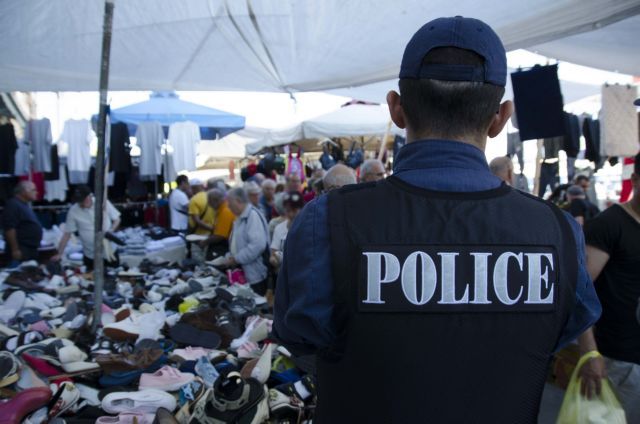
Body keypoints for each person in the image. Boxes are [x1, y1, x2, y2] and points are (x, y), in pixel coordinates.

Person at [274, 16, 600, 423]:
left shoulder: (327, 221)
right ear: (501, 118)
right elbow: (567, 327)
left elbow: (299, 337)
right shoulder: (557, 231)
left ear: (396, 109)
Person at [577, 152, 640, 422]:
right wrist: (589, 351)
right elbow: (578, 292)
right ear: (635, 180)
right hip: (619, 361)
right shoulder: (609, 225)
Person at [53, 186, 121, 270]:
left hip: (110, 251)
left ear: (90, 196)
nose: (81, 203)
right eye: (79, 201)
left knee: (113, 274)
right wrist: (59, 253)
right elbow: (67, 234)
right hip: (90, 255)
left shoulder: (102, 202)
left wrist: (111, 230)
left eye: (83, 200)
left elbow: (117, 219)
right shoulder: (73, 211)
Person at [221, 188, 269, 295]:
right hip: (244, 273)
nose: (228, 206)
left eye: (230, 203)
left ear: (238, 201)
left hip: (255, 275)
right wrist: (230, 257)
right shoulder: (240, 217)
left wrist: (236, 259)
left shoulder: (252, 216)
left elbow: (257, 245)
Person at [2, 181, 42, 265]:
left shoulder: (23, 205)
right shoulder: (13, 205)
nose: (36, 192)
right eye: (33, 190)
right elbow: (9, 228)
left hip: (29, 249)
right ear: (24, 191)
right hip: (21, 249)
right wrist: (15, 249)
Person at [269, 191, 304, 270]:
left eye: (294, 210)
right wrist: (274, 260)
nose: (291, 214)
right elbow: (273, 254)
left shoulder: (307, 227)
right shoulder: (279, 228)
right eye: (288, 210)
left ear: (302, 209)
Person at [200, 188, 236, 258]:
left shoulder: (225, 211)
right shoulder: (223, 209)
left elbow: (220, 236)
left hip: (224, 246)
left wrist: (204, 242)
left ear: (215, 200)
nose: (209, 205)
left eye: (209, 201)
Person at [188, 178, 217, 261]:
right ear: (202, 186)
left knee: (198, 260)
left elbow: (197, 220)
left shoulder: (194, 200)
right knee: (210, 259)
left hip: (198, 236)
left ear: (193, 188)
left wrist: (210, 228)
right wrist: (213, 229)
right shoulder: (211, 196)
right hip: (212, 236)